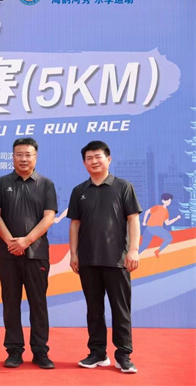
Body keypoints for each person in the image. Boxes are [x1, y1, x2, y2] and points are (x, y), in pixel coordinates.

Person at [68, 140, 141, 374]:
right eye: (89, 158)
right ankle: (98, 353)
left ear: (108, 159)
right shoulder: (79, 191)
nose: (94, 161)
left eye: (98, 157)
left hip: (117, 260)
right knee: (94, 309)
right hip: (88, 260)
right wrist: (74, 254)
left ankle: (124, 355)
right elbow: (75, 224)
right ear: (84, 163)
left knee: (121, 310)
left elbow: (133, 219)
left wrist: (133, 250)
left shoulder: (123, 187)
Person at [0, 138, 57, 369]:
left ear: (35, 157)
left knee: (38, 303)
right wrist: (11, 242)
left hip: (37, 254)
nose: (23, 159)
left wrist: (26, 241)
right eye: (19, 154)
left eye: (28, 154)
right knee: (10, 303)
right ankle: (14, 350)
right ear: (12, 157)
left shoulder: (46, 184)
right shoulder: (1, 183)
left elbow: (49, 218)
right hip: (8, 254)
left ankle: (40, 351)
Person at [140, 193, 181, 257]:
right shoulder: (157, 207)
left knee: (144, 246)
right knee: (169, 238)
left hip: (151, 229)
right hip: (155, 228)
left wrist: (176, 218)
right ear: (163, 201)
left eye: (169, 201)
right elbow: (147, 212)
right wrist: (144, 222)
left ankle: (157, 251)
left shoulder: (166, 211)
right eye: (167, 201)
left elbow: (167, 223)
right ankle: (157, 251)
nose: (168, 202)